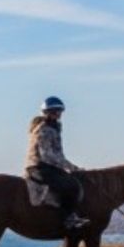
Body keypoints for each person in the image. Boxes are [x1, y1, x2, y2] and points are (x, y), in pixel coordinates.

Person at [27, 97, 89, 233]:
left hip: (48, 166)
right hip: (40, 167)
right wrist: (72, 168)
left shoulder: (53, 128)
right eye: (55, 112)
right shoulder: (44, 130)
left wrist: (71, 167)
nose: (58, 114)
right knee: (72, 186)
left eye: (60, 111)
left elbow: (57, 156)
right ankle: (69, 219)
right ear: (47, 112)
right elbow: (47, 155)